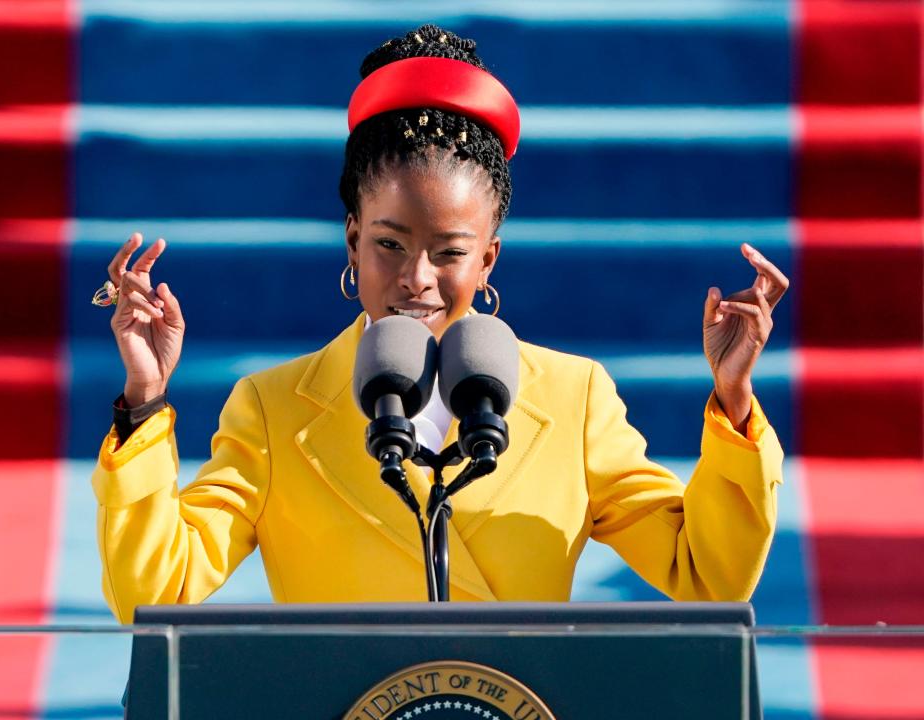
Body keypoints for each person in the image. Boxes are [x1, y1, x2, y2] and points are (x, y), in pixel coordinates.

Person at [91, 24, 788, 624]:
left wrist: (732, 401)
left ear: (488, 259)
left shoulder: (575, 399)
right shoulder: (272, 411)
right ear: (351, 242)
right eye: (389, 244)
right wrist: (144, 399)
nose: (416, 277)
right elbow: (154, 593)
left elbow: (707, 573)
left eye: (449, 253)